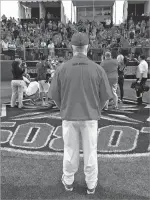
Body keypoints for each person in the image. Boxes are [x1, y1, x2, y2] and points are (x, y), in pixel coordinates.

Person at [49, 32, 112, 194]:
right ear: (87, 47)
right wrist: (97, 110)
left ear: (72, 47)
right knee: (91, 152)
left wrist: (63, 108)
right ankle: (91, 185)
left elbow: (55, 96)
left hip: (69, 116)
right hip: (90, 117)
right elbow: (105, 97)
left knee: (70, 150)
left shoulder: (62, 68)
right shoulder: (97, 69)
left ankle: (68, 181)